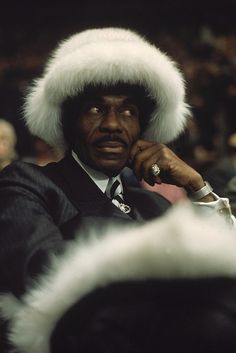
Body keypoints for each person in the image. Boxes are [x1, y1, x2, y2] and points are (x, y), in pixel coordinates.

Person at [0, 28, 235, 352]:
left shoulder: (152, 203)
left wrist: (197, 186)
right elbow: (45, 275)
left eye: (128, 111)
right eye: (95, 109)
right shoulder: (27, 183)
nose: (112, 124)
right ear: (68, 124)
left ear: (143, 129)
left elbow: (222, 264)